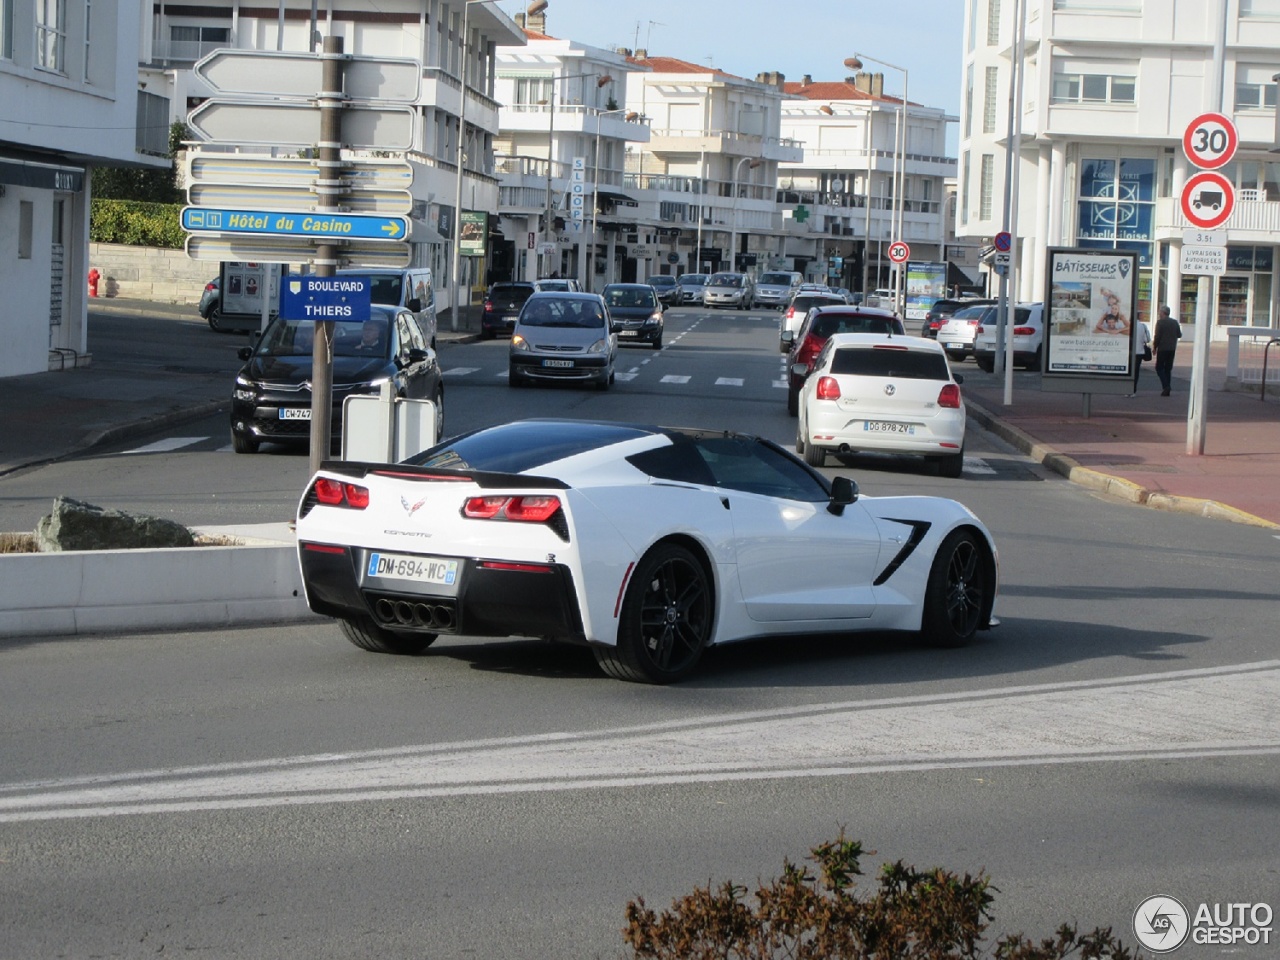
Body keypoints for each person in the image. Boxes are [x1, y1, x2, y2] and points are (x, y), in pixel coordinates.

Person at [1152, 304, 1183, 396]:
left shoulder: (1160, 323)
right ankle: (1167, 389)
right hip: (1172, 348)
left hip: (1162, 349)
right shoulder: (1174, 322)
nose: (1159, 313)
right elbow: (1179, 335)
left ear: (1163, 312)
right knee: (1168, 369)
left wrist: (1154, 347)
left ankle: (1166, 386)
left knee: (1159, 367)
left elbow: (1157, 336)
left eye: (1160, 312)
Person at [1127, 319, 1152, 396]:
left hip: (1129, 352)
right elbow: (1147, 339)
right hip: (1140, 352)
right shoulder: (1143, 326)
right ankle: (1133, 390)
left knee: (1129, 371)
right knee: (1136, 371)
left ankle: (1128, 389)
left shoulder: (1127, 326)